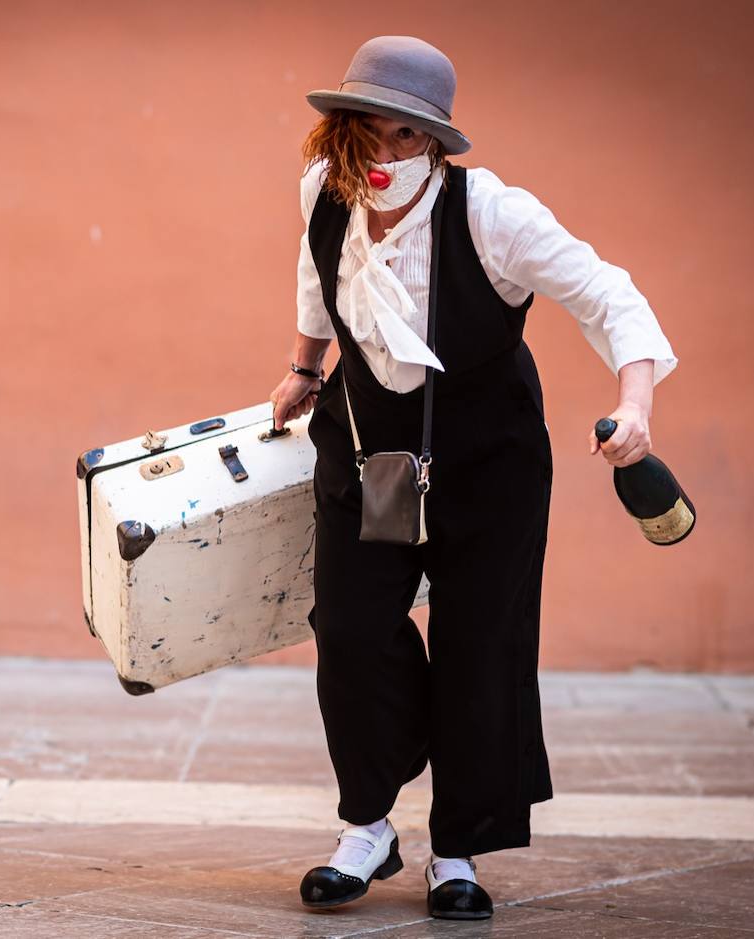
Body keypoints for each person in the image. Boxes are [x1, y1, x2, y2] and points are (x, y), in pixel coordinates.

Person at [269, 36, 677, 920]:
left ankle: (455, 850)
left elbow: (610, 296)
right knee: (348, 628)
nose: (383, 154)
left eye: (404, 136)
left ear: (436, 141)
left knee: (479, 650)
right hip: (368, 445)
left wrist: (635, 403)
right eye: (366, 131)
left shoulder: (493, 214)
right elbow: (316, 284)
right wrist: (305, 370)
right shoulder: (323, 194)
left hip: (488, 461)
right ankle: (369, 826)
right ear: (342, 129)